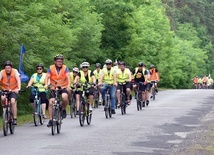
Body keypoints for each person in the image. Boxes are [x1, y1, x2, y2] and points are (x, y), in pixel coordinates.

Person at [45, 54, 71, 127]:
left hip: (63, 86)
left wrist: (68, 85)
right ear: (55, 61)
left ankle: (63, 109)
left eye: (61, 61)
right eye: (58, 61)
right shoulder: (51, 68)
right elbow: (47, 77)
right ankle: (50, 120)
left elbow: (68, 77)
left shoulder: (65, 68)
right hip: (54, 87)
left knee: (64, 97)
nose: (60, 62)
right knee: (51, 102)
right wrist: (46, 84)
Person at [0, 61, 21, 125]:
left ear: (11, 68)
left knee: (12, 101)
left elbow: (18, 80)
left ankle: (14, 118)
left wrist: (18, 88)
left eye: (9, 68)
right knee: (3, 98)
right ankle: (4, 110)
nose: (7, 69)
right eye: (6, 68)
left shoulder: (15, 71)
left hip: (13, 90)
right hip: (4, 90)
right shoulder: (2, 72)